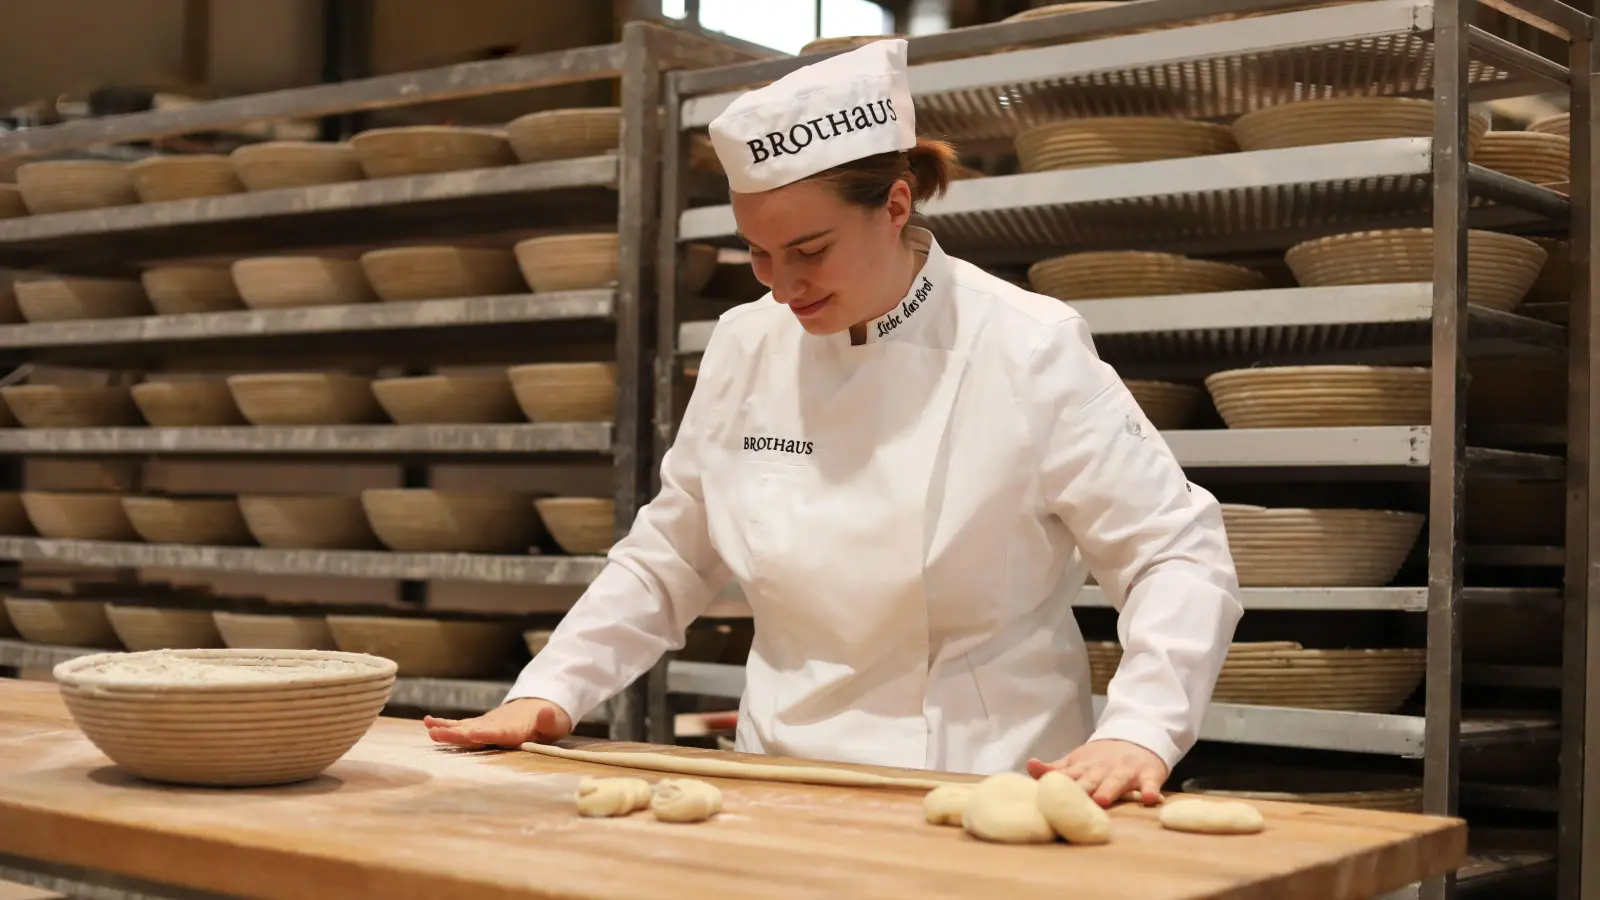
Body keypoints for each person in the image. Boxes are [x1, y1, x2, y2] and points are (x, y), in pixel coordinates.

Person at [425, 38, 1242, 807]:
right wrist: (550, 687)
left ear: (894, 205)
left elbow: (1174, 552)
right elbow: (671, 552)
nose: (783, 285)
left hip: (977, 780)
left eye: (809, 250)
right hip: (778, 776)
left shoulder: (1026, 345)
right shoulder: (748, 344)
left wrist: (1142, 730)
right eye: (759, 253)